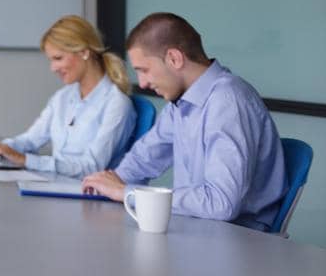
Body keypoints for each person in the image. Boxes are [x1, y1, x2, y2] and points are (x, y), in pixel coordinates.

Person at [82, 13, 286, 229]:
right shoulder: (181, 103)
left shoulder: (227, 102)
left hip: (238, 242)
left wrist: (126, 192)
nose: (141, 83)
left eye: (144, 70)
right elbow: (143, 159)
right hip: (197, 231)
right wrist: (106, 184)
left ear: (174, 59)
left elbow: (221, 203)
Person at [0, 15, 136, 177]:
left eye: (58, 58)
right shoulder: (62, 97)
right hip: (55, 183)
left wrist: (26, 160)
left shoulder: (116, 103)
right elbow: (30, 140)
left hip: (86, 192)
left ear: (84, 52)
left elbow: (92, 167)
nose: (53, 68)